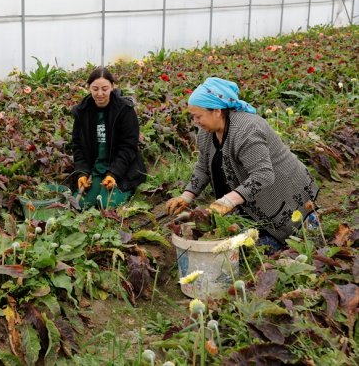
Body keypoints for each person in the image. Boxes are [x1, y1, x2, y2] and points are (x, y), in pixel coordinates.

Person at [165, 77, 319, 249]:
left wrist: (228, 201)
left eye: (198, 116)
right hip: (248, 200)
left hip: (281, 194)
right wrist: (186, 196)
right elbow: (203, 167)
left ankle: (305, 227)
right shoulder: (206, 132)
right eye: (193, 117)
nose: (195, 122)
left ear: (217, 111)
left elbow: (263, 175)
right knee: (233, 244)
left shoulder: (247, 130)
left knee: (261, 249)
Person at [71, 67, 147, 209]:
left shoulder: (124, 110)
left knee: (104, 204)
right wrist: (82, 172)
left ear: (112, 86)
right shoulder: (82, 112)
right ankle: (97, 182)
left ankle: (128, 189)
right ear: (89, 88)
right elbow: (77, 145)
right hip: (97, 169)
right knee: (81, 204)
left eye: (105, 89)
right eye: (95, 89)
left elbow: (128, 147)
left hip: (122, 169)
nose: (100, 94)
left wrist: (114, 174)